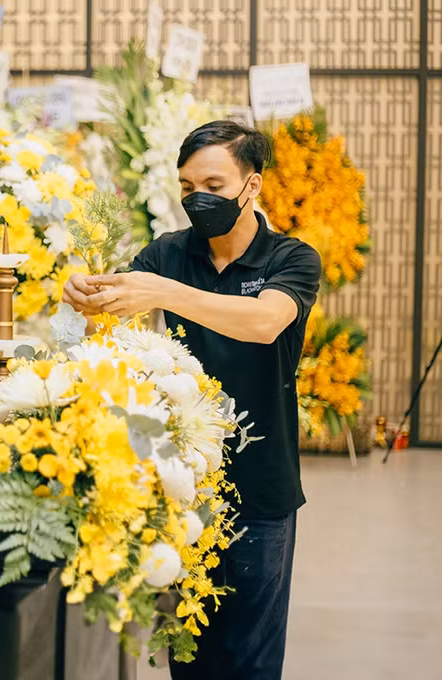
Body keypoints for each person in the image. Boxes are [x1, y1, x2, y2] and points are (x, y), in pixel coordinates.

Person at [63, 120, 321, 680]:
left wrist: (165, 291)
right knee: (191, 650)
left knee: (250, 656)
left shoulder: (291, 259)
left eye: (213, 184)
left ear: (251, 185)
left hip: (261, 488)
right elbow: (115, 313)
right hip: (184, 487)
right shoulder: (168, 253)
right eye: (185, 187)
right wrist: (86, 295)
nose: (197, 199)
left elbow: (265, 322)